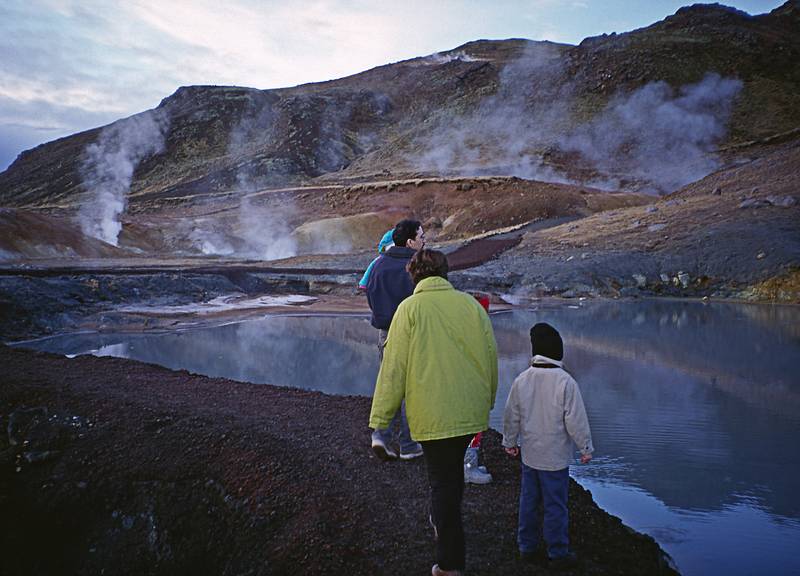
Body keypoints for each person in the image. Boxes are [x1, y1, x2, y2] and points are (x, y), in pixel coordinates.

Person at [370, 249, 498, 576]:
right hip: (469, 410)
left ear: (414, 275)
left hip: (432, 413)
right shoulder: (470, 305)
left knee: (442, 482)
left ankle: (449, 563)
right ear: (444, 273)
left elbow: (393, 370)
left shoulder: (409, 309)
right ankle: (442, 520)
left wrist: (380, 425)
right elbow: (490, 359)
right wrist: (487, 402)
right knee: (451, 476)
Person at [502, 322, 594, 568]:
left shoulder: (522, 380)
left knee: (528, 502)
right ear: (558, 352)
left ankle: (527, 546)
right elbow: (576, 419)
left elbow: (512, 416)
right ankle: (557, 551)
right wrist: (585, 448)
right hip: (555, 460)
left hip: (530, 457)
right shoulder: (566, 382)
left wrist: (509, 442)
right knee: (556, 506)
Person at [366, 219, 426, 461]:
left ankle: (381, 435)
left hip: (385, 332)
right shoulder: (417, 267)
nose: (425, 241)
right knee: (413, 388)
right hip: (413, 333)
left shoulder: (378, 265)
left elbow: (370, 294)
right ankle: (409, 444)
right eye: (422, 237)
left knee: (389, 385)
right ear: (410, 242)